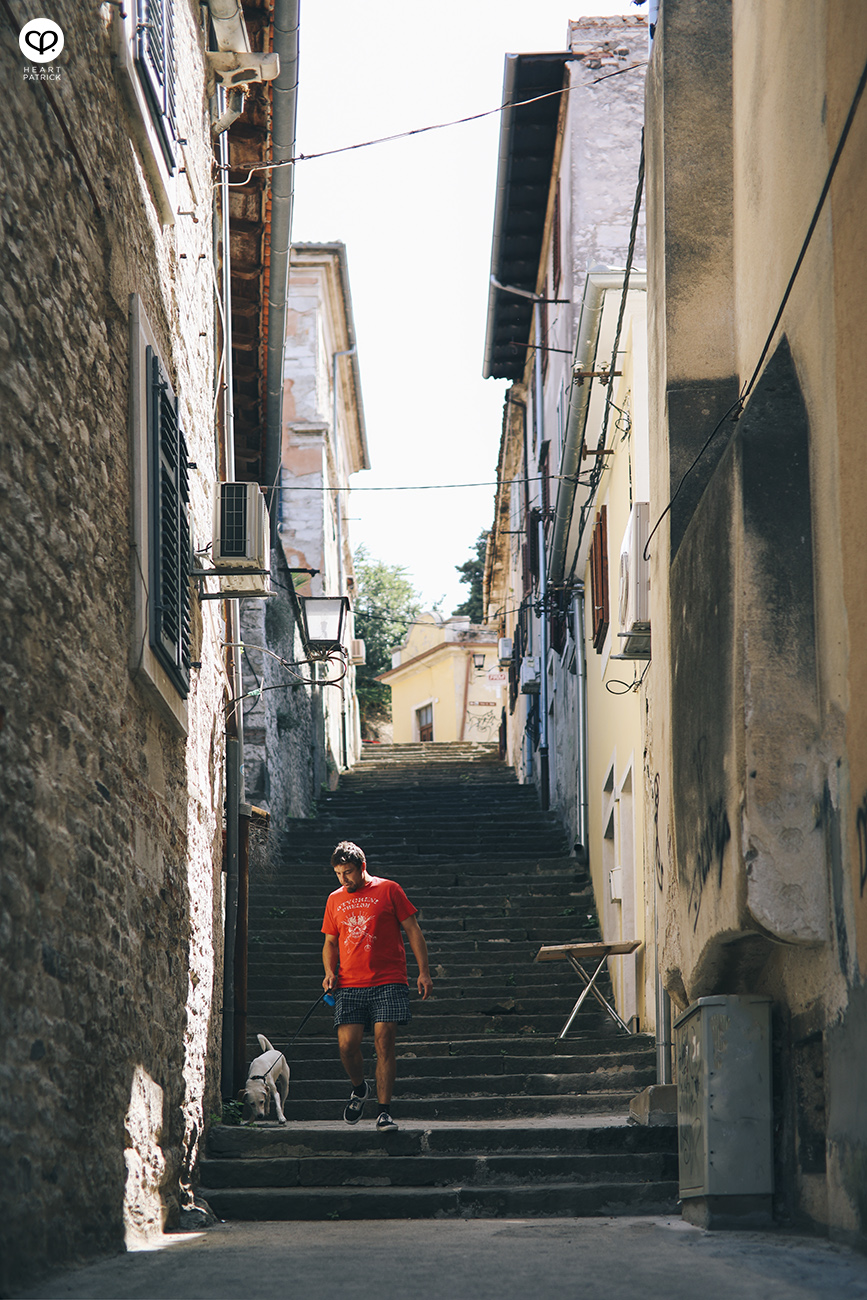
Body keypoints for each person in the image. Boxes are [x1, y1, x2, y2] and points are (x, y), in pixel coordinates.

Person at [321, 840, 433, 1132]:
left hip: (389, 980)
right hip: (349, 984)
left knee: (385, 1043)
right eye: (338, 874)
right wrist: (328, 972)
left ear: (362, 867)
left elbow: (412, 930)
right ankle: (359, 1089)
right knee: (347, 1046)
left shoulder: (389, 890)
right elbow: (330, 941)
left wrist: (424, 972)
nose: (344, 880)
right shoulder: (334, 899)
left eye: (348, 873)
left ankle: (384, 1112)